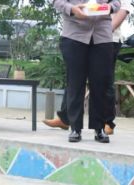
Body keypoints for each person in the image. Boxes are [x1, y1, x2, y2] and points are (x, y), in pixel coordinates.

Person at [47, 0, 119, 143]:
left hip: (102, 35)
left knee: (101, 84)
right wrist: (71, 9)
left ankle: (99, 128)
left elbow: (117, 2)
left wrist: (109, 7)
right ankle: (75, 128)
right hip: (74, 34)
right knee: (75, 83)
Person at [103, 0, 133, 135]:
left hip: (110, 39)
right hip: (86, 37)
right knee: (77, 76)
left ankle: (108, 122)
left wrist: (106, 30)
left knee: (105, 80)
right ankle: (66, 116)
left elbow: (124, 10)